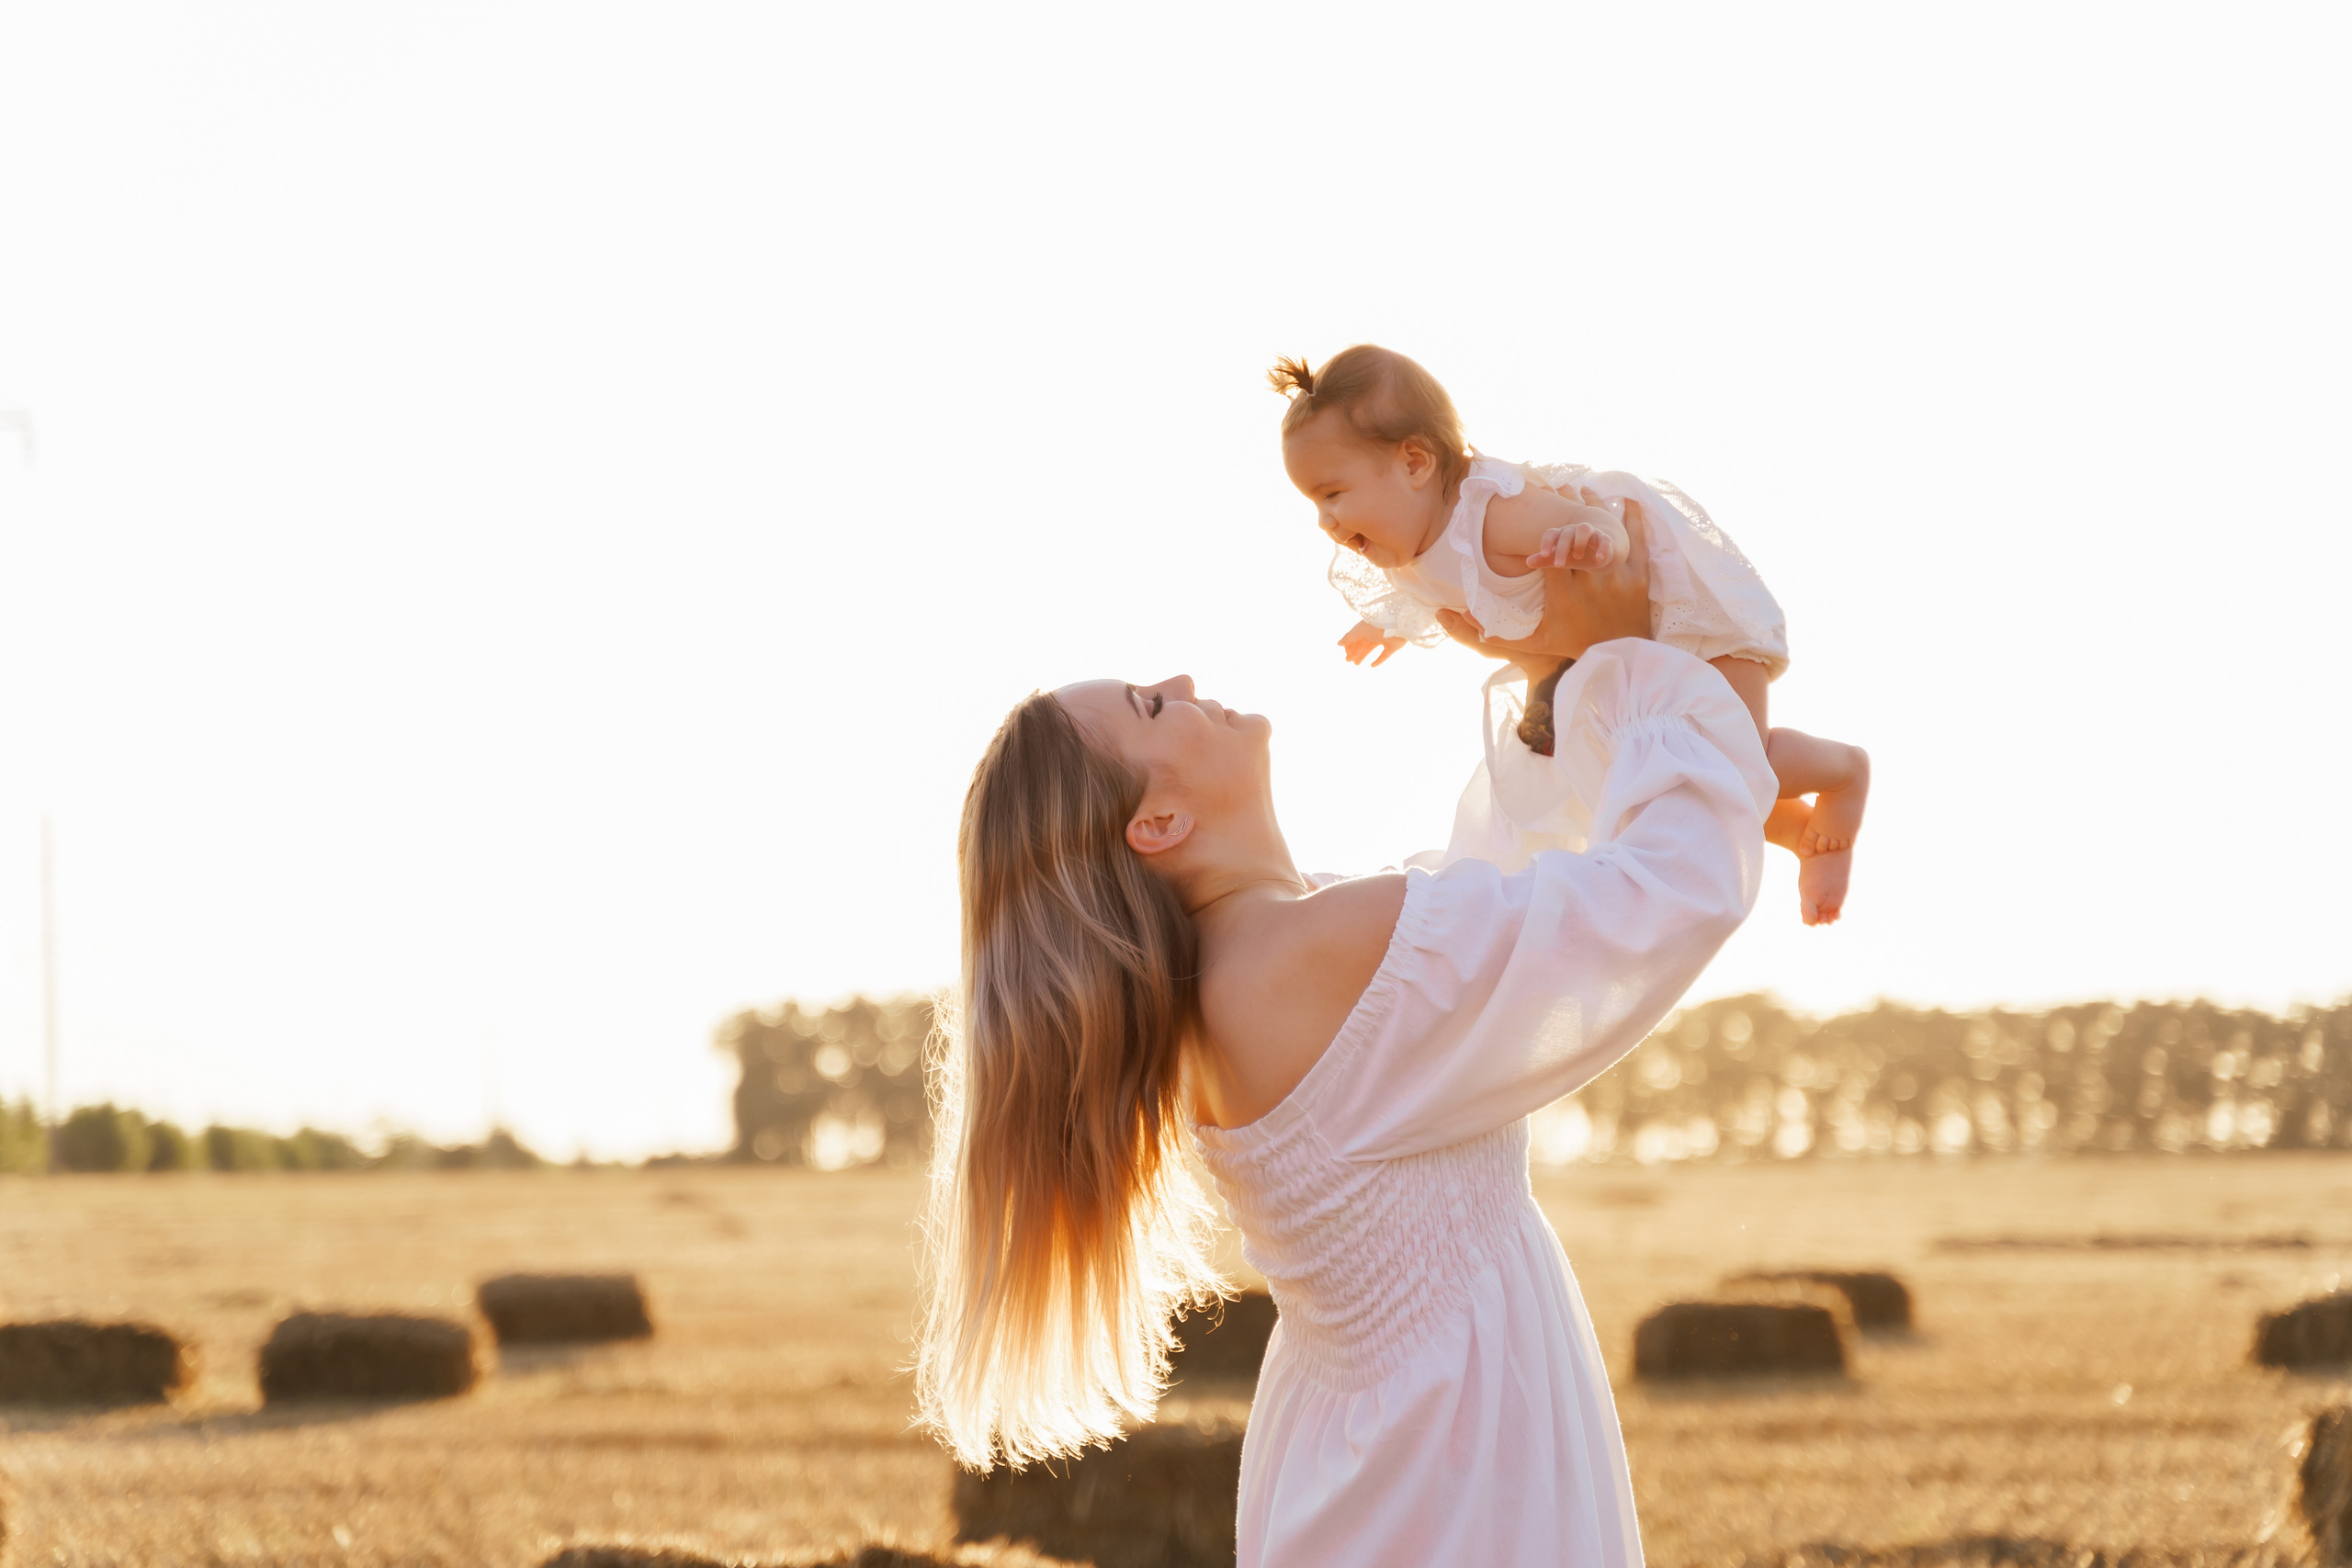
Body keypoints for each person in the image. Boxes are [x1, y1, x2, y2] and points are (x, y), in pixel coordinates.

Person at [916, 515, 1778, 1566]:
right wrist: (1639, 675)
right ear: (1157, 826)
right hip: (1445, 1473)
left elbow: (1487, 896)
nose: (1183, 681)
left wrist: (1565, 681)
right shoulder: (1302, 956)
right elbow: (1654, 902)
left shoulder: (1252, 964)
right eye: (1150, 705)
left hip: (1380, 1448)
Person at [1272, 343, 1869, 925]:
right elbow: (1425, 592)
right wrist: (1386, 623)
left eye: (1333, 494)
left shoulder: (1493, 513)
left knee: (1737, 756)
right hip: (1615, 657)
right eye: (1314, 503)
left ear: (1414, 462)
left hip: (1683, 619)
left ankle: (1843, 773)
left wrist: (1591, 540)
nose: (1325, 520)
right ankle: (1801, 834)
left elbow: (1606, 524)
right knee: (1691, 788)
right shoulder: (1411, 550)